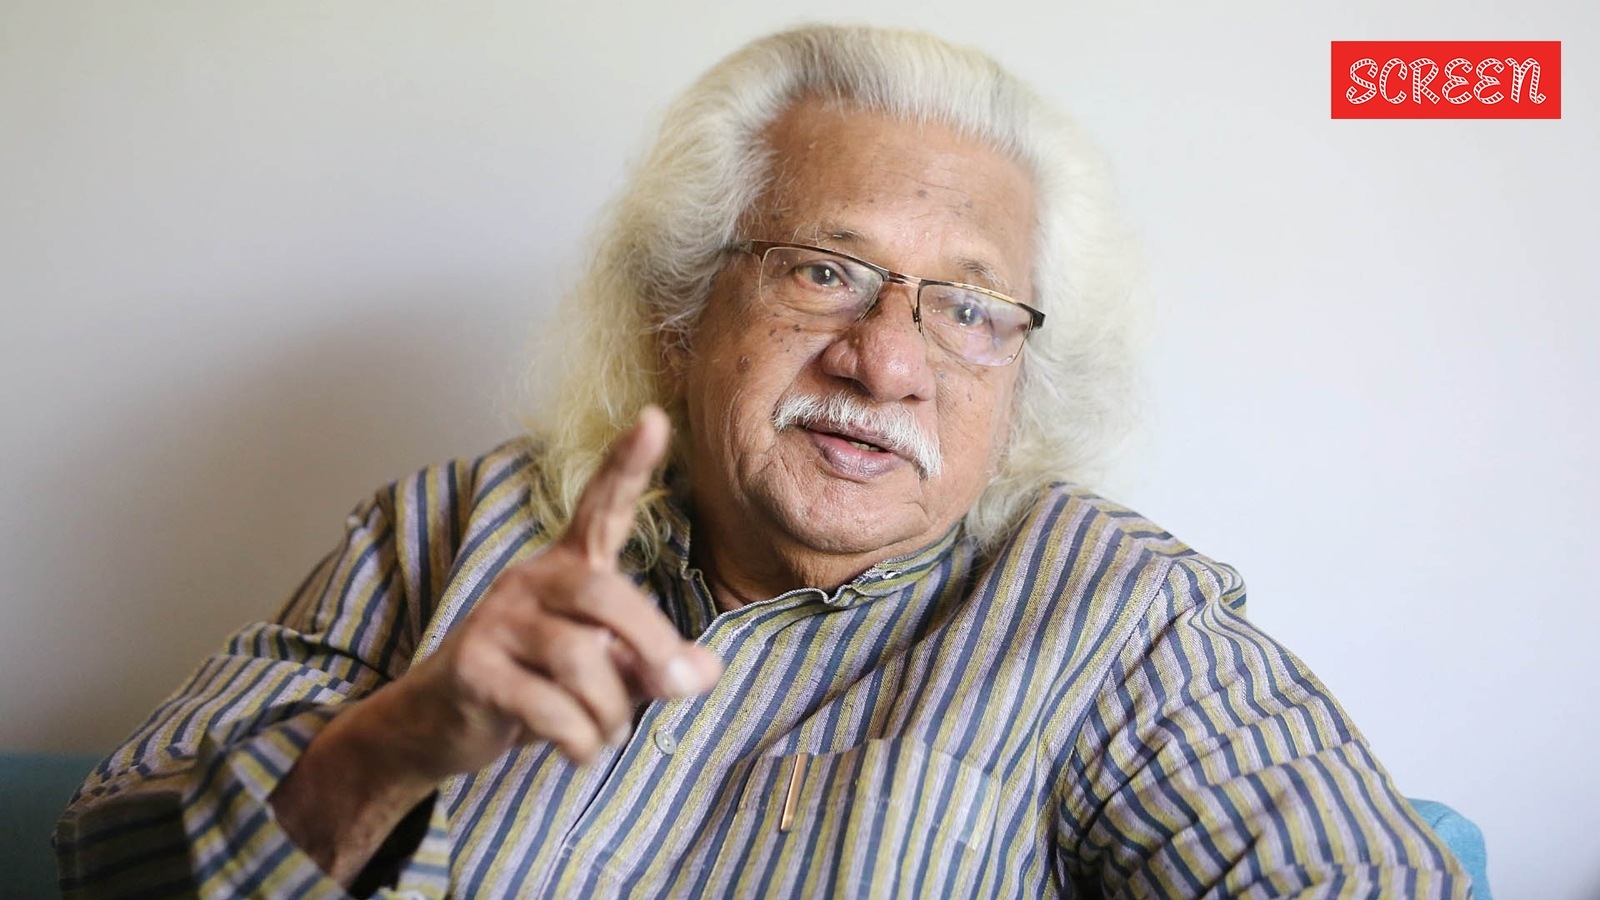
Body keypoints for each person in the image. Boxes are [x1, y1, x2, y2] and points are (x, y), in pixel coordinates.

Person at [55, 24, 1471, 899]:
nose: (888, 360)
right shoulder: (447, 531)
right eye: (824, 270)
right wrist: (392, 746)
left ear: (1020, 374)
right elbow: (110, 864)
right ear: (680, 316)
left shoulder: (1114, 620)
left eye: (970, 308)